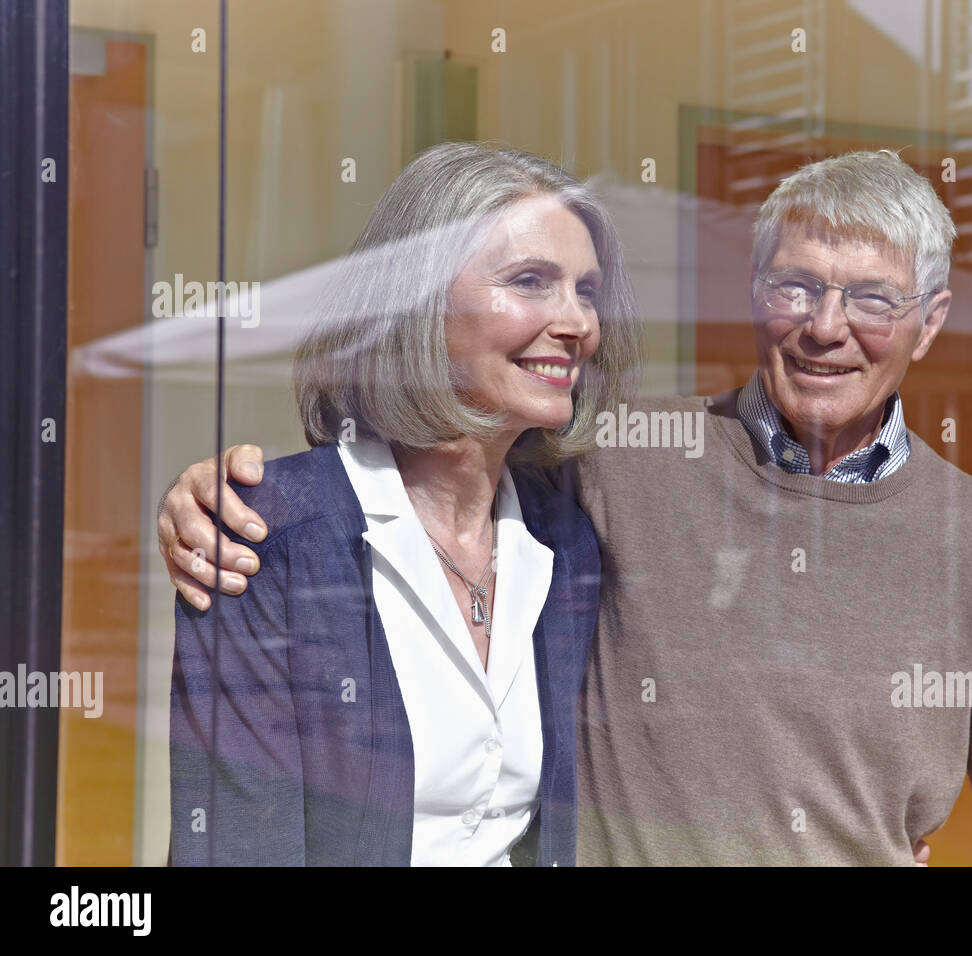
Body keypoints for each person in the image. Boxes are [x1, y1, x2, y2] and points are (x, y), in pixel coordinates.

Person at [163, 149, 972, 866]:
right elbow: (421, 452)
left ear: (929, 322)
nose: (825, 326)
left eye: (874, 299)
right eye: (795, 286)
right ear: (755, 296)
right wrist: (221, 496)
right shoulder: (604, 462)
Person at [167, 142, 639, 866]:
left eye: (587, 290)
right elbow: (238, 844)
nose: (577, 321)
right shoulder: (263, 535)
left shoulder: (565, 537)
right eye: (532, 281)